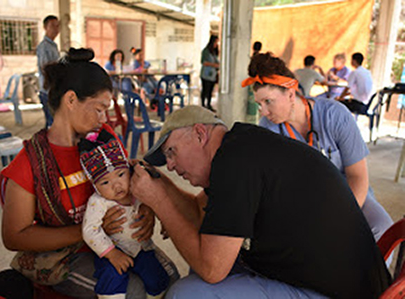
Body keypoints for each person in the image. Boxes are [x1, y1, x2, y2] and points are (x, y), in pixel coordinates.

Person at [127, 105, 391, 298]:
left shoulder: (235, 164)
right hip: (339, 280)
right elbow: (198, 212)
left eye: (171, 152)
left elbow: (212, 269)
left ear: (199, 134)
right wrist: (162, 185)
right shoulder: (241, 147)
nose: (170, 165)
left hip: (339, 294)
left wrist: (159, 201)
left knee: (186, 294)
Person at [0, 48, 177, 299]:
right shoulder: (31, 163)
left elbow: (130, 178)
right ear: (71, 100)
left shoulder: (105, 142)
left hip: (121, 241)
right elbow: (14, 236)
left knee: (170, 278)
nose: (105, 119)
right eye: (99, 108)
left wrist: (147, 210)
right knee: (131, 291)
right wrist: (89, 230)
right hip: (68, 255)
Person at [249, 52, 393, 242]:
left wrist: (340, 217)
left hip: (348, 193)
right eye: (259, 104)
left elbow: (357, 176)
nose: (264, 112)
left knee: (382, 228)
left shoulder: (335, 115)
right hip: (303, 200)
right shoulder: (268, 129)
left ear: (291, 93)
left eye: (268, 101)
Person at [79, 129, 169, 299]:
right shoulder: (98, 202)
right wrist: (112, 253)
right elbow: (90, 230)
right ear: (95, 186)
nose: (116, 185)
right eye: (105, 182)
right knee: (111, 275)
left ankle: (157, 295)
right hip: (112, 248)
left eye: (121, 174)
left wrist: (164, 219)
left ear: (129, 170)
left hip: (140, 248)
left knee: (156, 274)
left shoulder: (137, 188)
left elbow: (157, 199)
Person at [36, 15, 60, 128]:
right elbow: (44, 67)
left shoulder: (54, 46)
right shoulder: (44, 46)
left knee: (52, 121)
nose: (56, 29)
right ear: (45, 27)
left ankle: (46, 144)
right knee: (52, 123)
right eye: (52, 26)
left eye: (57, 26)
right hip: (47, 90)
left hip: (54, 88)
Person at [200, 35, 219, 112]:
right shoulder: (206, 51)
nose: (216, 44)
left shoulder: (214, 52)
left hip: (212, 75)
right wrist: (213, 65)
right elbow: (203, 62)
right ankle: (203, 105)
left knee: (211, 90)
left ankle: (208, 104)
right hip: (206, 74)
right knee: (205, 89)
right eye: (216, 42)